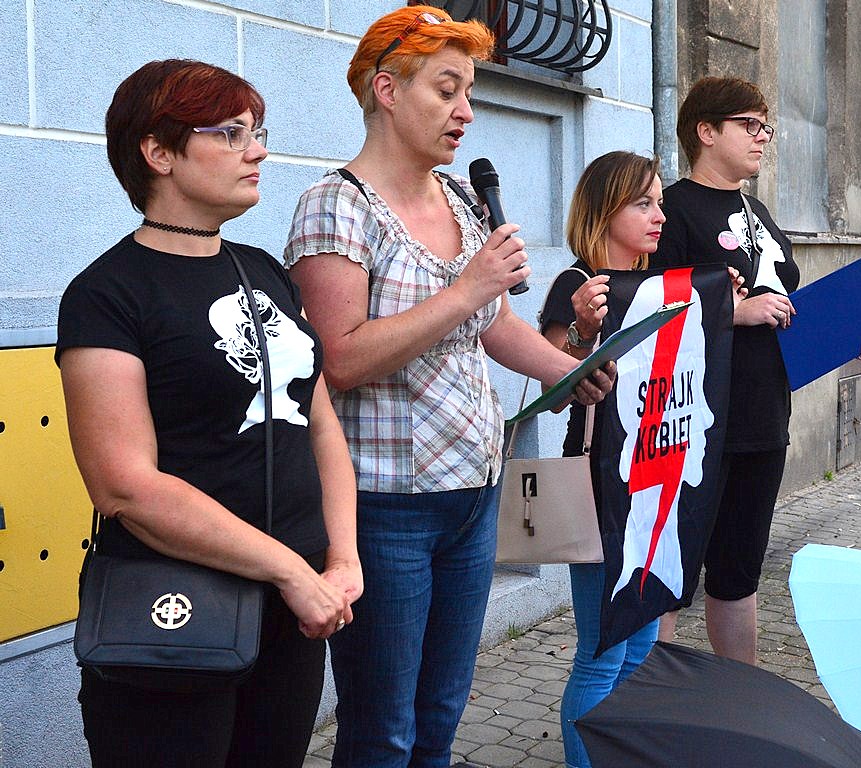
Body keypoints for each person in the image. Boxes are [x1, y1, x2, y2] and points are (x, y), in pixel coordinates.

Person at [282, 7, 614, 767]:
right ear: (387, 90)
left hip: (474, 494)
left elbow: (495, 326)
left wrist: (568, 370)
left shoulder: (461, 198)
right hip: (383, 508)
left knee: (440, 716)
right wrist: (467, 290)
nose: (466, 111)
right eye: (446, 89)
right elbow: (339, 359)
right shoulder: (336, 205)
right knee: (383, 730)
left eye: (469, 92)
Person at [57, 59, 361, 767]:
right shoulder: (106, 294)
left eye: (257, 132)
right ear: (158, 153)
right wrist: (291, 570)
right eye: (229, 134)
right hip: (173, 613)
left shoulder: (265, 271)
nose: (256, 151)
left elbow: (318, 424)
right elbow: (125, 486)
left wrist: (341, 558)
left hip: (295, 611)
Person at [652, 76, 861, 664]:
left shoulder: (756, 211)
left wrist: (840, 337)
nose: (762, 137)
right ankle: (655, 698)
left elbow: (783, 308)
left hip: (763, 417)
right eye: (748, 125)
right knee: (671, 578)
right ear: (706, 132)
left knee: (739, 573)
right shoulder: (672, 212)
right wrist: (732, 311)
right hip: (695, 423)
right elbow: (650, 311)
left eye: (766, 127)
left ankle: (741, 695)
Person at [536, 151, 665, 768]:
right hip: (592, 484)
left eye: (659, 202)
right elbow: (553, 391)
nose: (658, 215)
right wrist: (584, 332)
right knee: (602, 652)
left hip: (650, 478)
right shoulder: (576, 283)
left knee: (639, 646)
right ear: (604, 210)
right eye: (643, 203)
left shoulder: (657, 285)